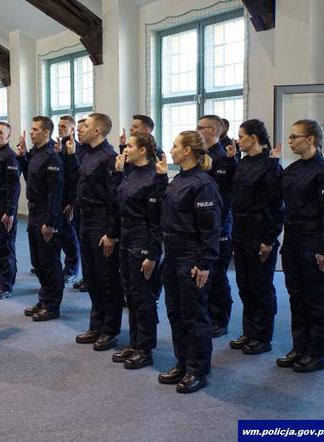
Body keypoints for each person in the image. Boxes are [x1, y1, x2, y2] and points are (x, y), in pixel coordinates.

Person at [159, 130, 221, 393]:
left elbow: (210, 228)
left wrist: (204, 262)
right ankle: (182, 362)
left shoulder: (202, 183)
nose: (171, 149)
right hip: (172, 253)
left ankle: (197, 370)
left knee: (195, 315)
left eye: (175, 146)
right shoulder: (178, 180)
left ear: (187, 151)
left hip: (191, 255)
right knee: (175, 312)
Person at [277, 119, 324, 372]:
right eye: (290, 137)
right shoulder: (291, 170)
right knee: (296, 296)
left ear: (311, 139)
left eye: (294, 136)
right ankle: (299, 347)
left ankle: (316, 352)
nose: (290, 141)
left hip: (314, 241)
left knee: (316, 298)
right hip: (292, 240)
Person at [66, 113, 122, 351]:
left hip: (101, 222)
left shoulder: (109, 157)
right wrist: (69, 158)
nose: (81, 129)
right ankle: (96, 324)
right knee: (91, 277)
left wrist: (112, 232)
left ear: (98, 131)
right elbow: (75, 183)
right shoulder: (86, 153)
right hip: (85, 219)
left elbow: (115, 199)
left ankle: (110, 330)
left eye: (86, 126)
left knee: (107, 278)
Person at [113, 132, 168, 368]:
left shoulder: (153, 178)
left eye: (131, 146)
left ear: (143, 150)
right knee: (131, 294)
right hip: (126, 239)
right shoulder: (130, 172)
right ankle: (135, 342)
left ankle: (145, 349)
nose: (126, 149)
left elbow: (156, 222)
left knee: (144, 297)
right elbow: (116, 203)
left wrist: (151, 254)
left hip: (142, 241)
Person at [229, 119, 283, 355]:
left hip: (260, 233)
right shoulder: (242, 162)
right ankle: (249, 331)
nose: (238, 140)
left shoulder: (270, 165)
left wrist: (269, 240)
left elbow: (276, 207)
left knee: (261, 286)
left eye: (241, 136)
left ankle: (262, 336)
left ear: (254, 137)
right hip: (240, 232)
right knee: (244, 284)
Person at [17, 116, 64, 321]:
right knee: (38, 261)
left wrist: (51, 222)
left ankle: (52, 305)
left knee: (49, 262)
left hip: (46, 213)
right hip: (34, 213)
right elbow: (31, 181)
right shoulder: (36, 154)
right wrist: (21, 158)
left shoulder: (52, 157)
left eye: (36, 129)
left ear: (47, 133)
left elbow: (55, 192)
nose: (32, 132)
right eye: (32, 128)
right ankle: (44, 298)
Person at [197, 114, 236, 337]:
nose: (196, 130)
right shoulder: (204, 156)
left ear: (212, 131)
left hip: (219, 225)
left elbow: (225, 198)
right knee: (208, 275)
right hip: (205, 225)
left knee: (217, 274)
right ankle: (209, 314)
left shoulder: (221, 158)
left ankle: (220, 319)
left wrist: (217, 228)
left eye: (200, 127)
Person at [0, 122, 20, 300]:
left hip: (3, 206)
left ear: (8, 136)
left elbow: (14, 187)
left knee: (5, 247)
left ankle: (7, 285)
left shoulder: (10, 157)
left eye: (0, 132)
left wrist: (11, 211)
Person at [56, 115, 81, 283]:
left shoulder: (75, 149)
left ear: (72, 130)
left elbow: (75, 178)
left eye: (64, 126)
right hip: (57, 197)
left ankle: (72, 268)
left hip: (68, 199)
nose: (60, 128)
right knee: (60, 235)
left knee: (69, 236)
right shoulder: (57, 147)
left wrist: (72, 202)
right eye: (59, 126)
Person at [72, 118, 89, 293]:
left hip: (92, 210)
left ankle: (89, 278)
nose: (79, 132)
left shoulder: (94, 153)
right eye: (78, 130)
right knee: (80, 241)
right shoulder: (78, 149)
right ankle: (86, 277)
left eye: (83, 129)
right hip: (79, 202)